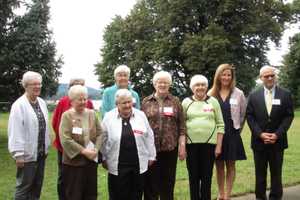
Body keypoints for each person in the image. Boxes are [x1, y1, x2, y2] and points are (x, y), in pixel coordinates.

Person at [246, 66, 294, 200]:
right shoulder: (254, 95)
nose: (270, 78)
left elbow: (288, 116)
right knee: (260, 174)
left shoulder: (285, 94)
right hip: (259, 142)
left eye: (272, 75)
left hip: (277, 141)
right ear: (261, 78)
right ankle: (260, 197)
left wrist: (277, 134)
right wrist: (260, 134)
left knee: (276, 174)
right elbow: (249, 116)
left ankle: (275, 197)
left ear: (275, 76)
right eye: (266, 76)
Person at [101, 89, 156, 200]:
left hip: (138, 163)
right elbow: (102, 138)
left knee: (136, 194)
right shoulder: (108, 117)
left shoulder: (141, 115)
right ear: (117, 104)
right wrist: (103, 157)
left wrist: (151, 155)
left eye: (129, 102)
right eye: (123, 103)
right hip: (117, 164)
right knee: (118, 195)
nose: (127, 105)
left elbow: (149, 136)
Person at [142, 71, 186, 200]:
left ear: (169, 84)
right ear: (154, 84)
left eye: (165, 82)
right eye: (159, 82)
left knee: (168, 182)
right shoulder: (146, 102)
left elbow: (182, 126)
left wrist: (182, 146)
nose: (162, 84)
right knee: (150, 183)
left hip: (170, 149)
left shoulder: (175, 101)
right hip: (150, 150)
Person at [8, 71, 50, 200]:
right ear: (25, 86)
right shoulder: (19, 105)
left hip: (41, 154)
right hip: (26, 156)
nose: (38, 87)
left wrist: (46, 147)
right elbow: (15, 131)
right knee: (24, 188)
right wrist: (18, 154)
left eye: (39, 84)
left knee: (37, 187)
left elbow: (45, 127)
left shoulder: (42, 103)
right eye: (34, 84)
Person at [182, 74, 224, 200]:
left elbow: (221, 124)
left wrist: (218, 146)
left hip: (209, 146)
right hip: (191, 146)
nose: (200, 87)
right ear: (192, 87)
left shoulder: (213, 102)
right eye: (197, 85)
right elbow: (181, 127)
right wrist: (182, 147)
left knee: (207, 177)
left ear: (206, 87)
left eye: (203, 85)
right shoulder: (186, 102)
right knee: (193, 177)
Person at [208, 64, 247, 200]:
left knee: (231, 165)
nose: (226, 77)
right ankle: (221, 194)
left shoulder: (239, 93)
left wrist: (237, 130)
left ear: (232, 77)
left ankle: (228, 195)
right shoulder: (210, 94)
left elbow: (243, 115)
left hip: (232, 134)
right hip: (217, 135)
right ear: (218, 76)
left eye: (228, 75)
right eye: (223, 74)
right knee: (218, 166)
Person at [52, 78, 93, 200]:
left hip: (85, 148)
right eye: (75, 86)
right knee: (64, 176)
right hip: (64, 145)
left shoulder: (88, 103)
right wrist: (64, 142)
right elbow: (55, 122)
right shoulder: (63, 102)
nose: (79, 90)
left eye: (81, 86)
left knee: (83, 177)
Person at [59, 85, 102, 200]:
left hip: (91, 162)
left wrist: (96, 150)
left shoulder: (92, 114)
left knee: (91, 194)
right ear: (72, 101)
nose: (83, 102)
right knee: (74, 194)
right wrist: (83, 151)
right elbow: (65, 139)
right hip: (73, 163)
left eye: (85, 99)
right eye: (80, 99)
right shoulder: (67, 116)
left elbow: (100, 133)